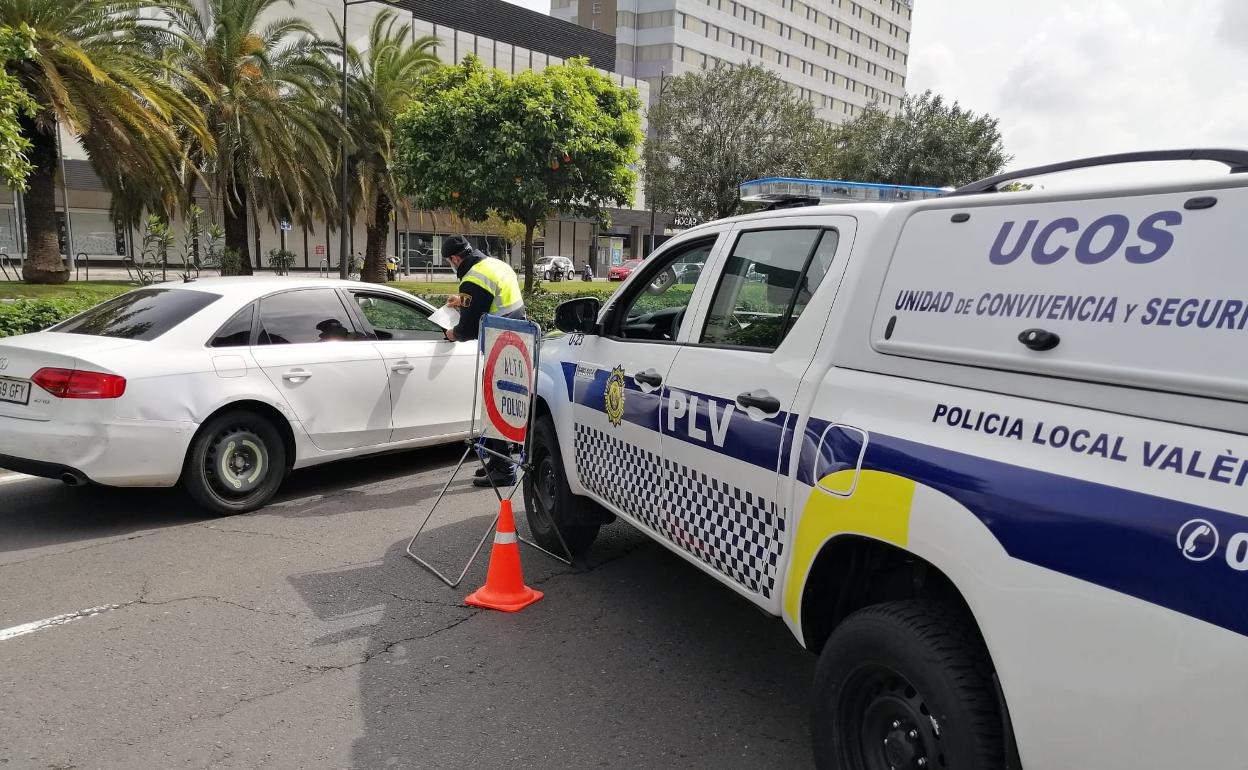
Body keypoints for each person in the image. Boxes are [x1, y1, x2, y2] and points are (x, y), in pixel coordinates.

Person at [441, 234, 526, 487]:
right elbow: (492, 301)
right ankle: (497, 460)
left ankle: (504, 469)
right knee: (505, 404)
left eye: (449, 261)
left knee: (494, 405)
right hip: (517, 344)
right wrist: (462, 302)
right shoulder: (496, 265)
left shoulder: (473, 278)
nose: (451, 265)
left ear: (456, 258)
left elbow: (466, 330)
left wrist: (450, 333)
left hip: (498, 346)